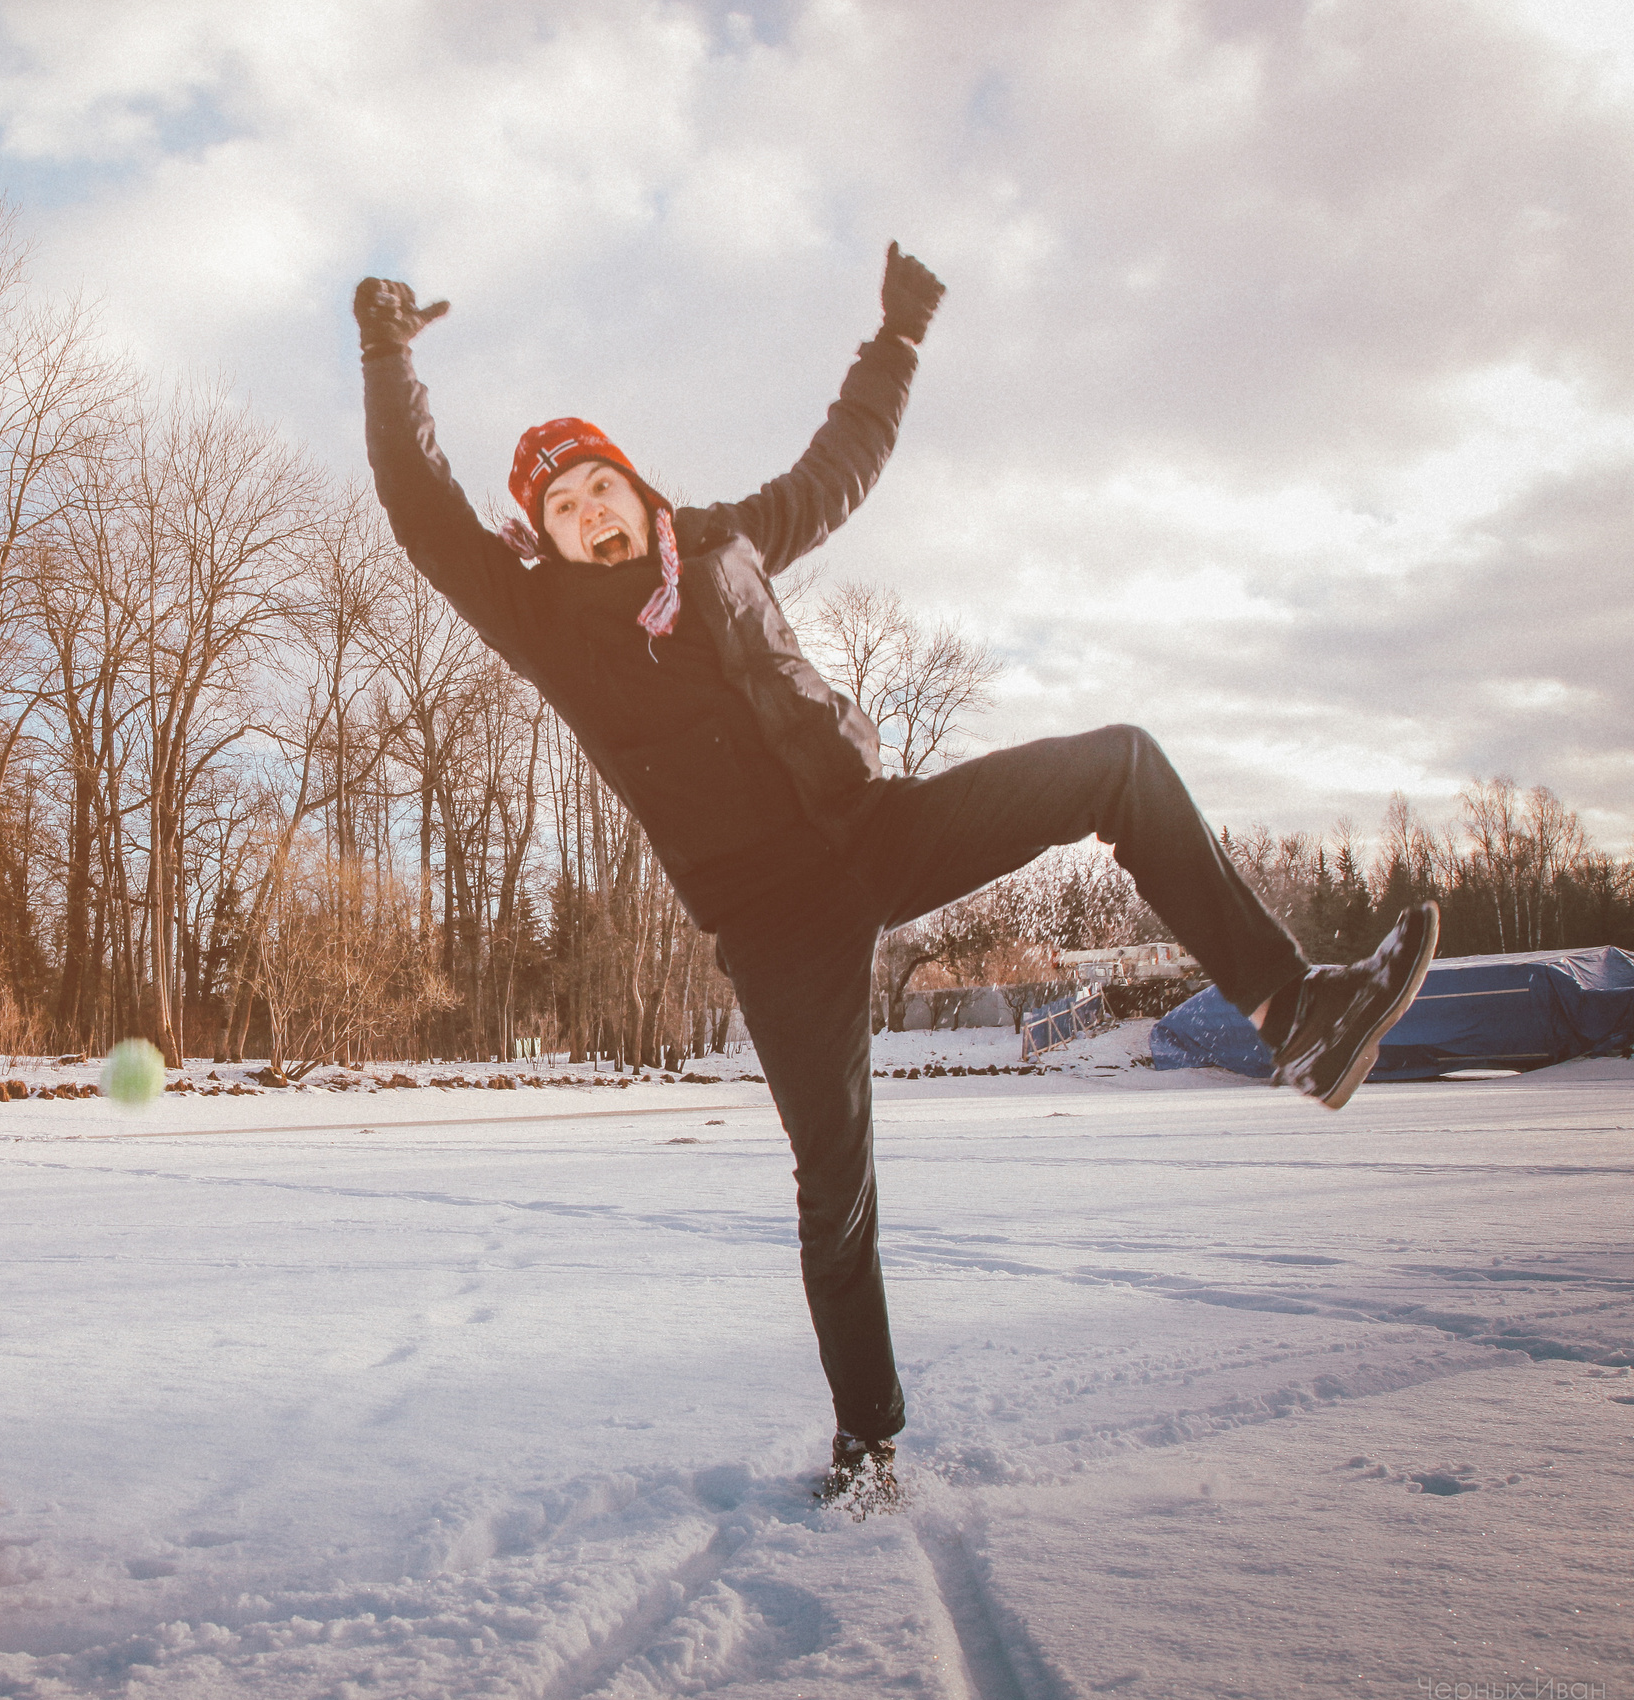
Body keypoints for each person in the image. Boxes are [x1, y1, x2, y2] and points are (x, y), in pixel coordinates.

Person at [352, 248, 1437, 1514]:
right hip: (770, 918)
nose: (591, 512)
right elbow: (421, 511)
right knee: (837, 1180)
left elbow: (843, 464)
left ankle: (1292, 1012)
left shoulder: (725, 548)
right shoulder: (544, 624)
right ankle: (867, 1442)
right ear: (544, 538)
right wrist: (389, 359)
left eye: (602, 483)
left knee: (1118, 766)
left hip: (868, 827)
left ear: (641, 488)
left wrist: (898, 339)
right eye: (564, 508)